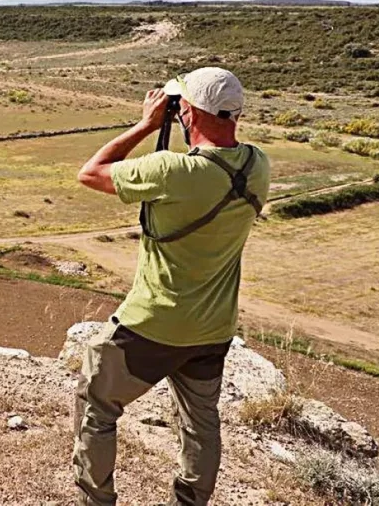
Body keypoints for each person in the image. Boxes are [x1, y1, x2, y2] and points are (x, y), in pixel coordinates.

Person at [73, 67, 271, 506]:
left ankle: (95, 499)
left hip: (153, 322)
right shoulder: (259, 165)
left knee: (97, 399)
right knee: (201, 422)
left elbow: (91, 172)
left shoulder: (172, 170)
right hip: (215, 328)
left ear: (188, 112)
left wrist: (145, 124)